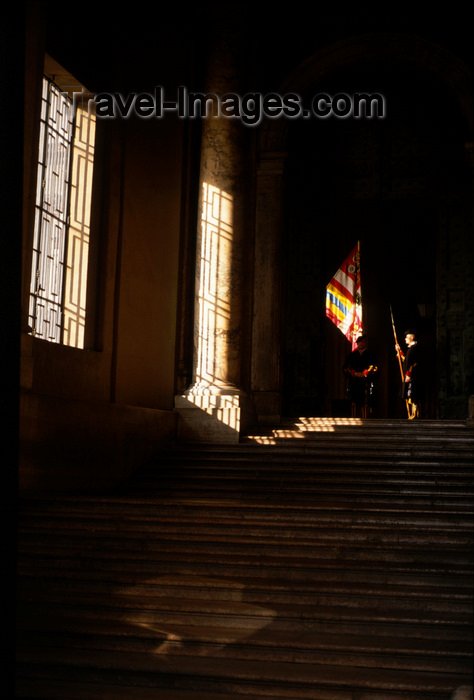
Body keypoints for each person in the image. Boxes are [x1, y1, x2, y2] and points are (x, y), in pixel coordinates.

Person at [342, 334, 378, 418]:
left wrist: (365, 373)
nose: (361, 344)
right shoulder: (352, 355)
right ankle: (353, 418)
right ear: (357, 343)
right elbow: (346, 367)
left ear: (365, 343)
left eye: (363, 342)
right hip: (354, 381)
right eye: (359, 342)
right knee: (353, 400)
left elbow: (374, 366)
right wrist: (354, 373)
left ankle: (365, 419)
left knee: (365, 400)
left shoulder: (370, 355)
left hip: (365, 381)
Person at [395, 329, 422, 420]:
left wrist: (408, 374)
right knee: (410, 393)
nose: (405, 339)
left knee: (413, 394)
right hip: (411, 375)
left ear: (412, 338)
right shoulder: (410, 348)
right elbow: (406, 360)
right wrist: (399, 351)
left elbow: (412, 363)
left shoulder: (415, 348)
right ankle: (413, 414)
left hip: (414, 375)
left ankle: (415, 414)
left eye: (407, 337)